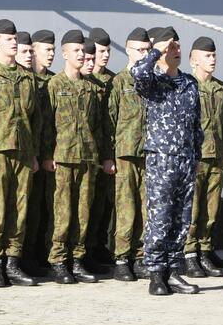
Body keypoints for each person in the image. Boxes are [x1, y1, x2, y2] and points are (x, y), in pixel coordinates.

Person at [131, 26, 203, 296]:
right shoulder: (153, 82)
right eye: (170, 47)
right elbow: (136, 73)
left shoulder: (189, 83)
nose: (176, 51)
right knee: (160, 217)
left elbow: (196, 124)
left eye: (178, 46)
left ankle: (173, 271)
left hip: (185, 159)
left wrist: (196, 155)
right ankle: (156, 273)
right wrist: (156, 51)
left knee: (181, 218)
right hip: (161, 159)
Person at [41, 30, 114, 284]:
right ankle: (59, 260)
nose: (81, 55)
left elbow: (101, 126)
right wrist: (47, 155)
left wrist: (102, 156)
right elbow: (46, 123)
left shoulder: (93, 87)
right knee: (62, 211)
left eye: (83, 51)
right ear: (64, 54)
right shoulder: (55, 85)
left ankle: (78, 258)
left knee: (83, 211)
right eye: (76, 51)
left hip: (87, 158)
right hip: (62, 158)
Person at [0, 19, 42, 288]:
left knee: (20, 208)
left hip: (24, 152)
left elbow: (35, 120)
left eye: (15, 38)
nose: (13, 42)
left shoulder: (28, 78)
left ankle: (13, 262)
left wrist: (35, 153)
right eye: (7, 38)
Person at [183, 36, 223, 278]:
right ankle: (190, 254)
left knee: (212, 209)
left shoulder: (222, 90)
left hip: (216, 156)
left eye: (214, 56)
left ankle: (205, 249)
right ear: (194, 60)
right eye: (207, 56)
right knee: (192, 208)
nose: (212, 60)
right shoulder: (186, 86)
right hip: (194, 157)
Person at [108, 28, 151, 282]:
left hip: (149, 153)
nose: (144, 54)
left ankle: (141, 256)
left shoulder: (153, 81)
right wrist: (110, 154)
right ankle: (122, 258)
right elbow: (110, 120)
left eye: (147, 50)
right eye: (140, 50)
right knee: (126, 207)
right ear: (128, 50)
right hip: (125, 153)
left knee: (147, 208)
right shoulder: (120, 82)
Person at [22, 29, 57, 277]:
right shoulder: (26, 82)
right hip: (30, 155)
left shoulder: (53, 82)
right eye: (47, 49)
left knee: (47, 208)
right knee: (29, 209)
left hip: (52, 154)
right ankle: (26, 256)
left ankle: (42, 254)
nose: (51, 54)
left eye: (54, 49)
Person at [84, 28, 117, 273]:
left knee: (105, 204)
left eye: (107, 51)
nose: (103, 56)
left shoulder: (113, 81)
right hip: (84, 153)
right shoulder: (84, 82)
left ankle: (99, 246)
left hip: (107, 151)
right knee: (89, 205)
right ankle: (86, 249)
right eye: (99, 51)